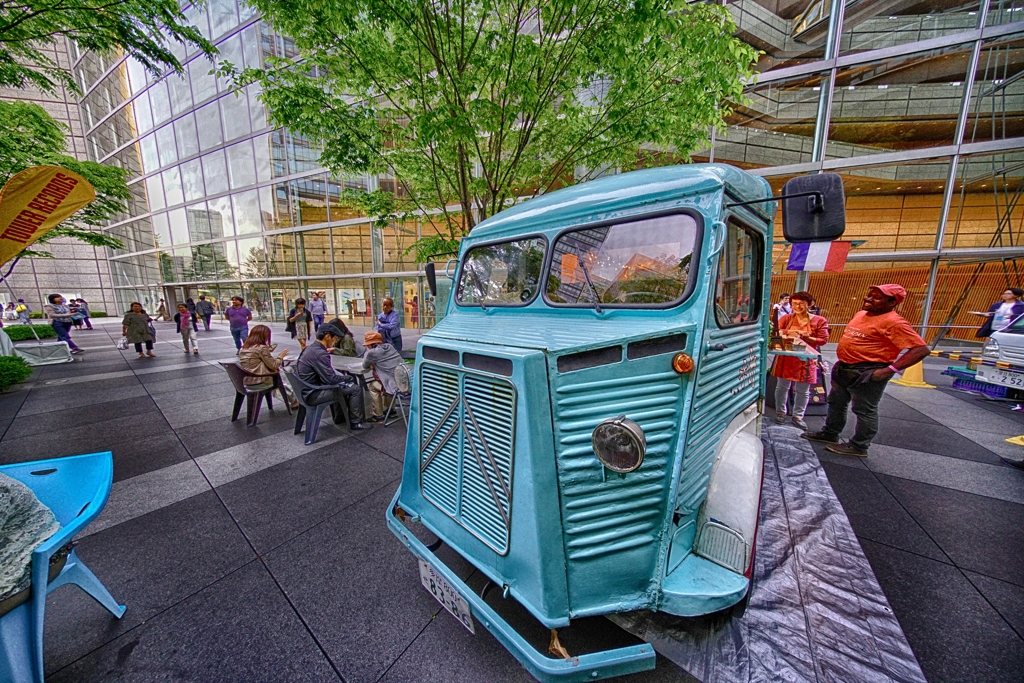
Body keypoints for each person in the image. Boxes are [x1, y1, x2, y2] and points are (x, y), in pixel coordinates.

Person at [803, 284, 930, 457]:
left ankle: (859, 445)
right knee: (836, 402)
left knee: (864, 409)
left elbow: (921, 350)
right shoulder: (861, 314)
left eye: (876, 297)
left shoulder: (895, 322)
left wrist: (889, 370)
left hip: (868, 371)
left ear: (892, 302)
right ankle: (830, 433)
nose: (868, 299)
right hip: (845, 367)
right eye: (869, 295)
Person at [295, 324, 371, 430]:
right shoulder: (320, 353)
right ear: (327, 336)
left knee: (341, 386)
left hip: (305, 390)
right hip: (313, 394)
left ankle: (339, 417)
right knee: (355, 389)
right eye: (335, 338)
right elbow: (331, 379)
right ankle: (356, 423)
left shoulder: (310, 349)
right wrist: (347, 378)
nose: (335, 341)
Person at [772, 291, 829, 430]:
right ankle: (780, 413)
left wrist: (808, 337)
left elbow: (823, 340)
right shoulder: (786, 318)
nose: (797, 306)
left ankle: (798, 416)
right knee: (781, 387)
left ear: (810, 304)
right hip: (786, 357)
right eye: (794, 303)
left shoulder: (819, 320)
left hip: (806, 359)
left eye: (801, 303)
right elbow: (775, 332)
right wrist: (791, 333)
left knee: (803, 390)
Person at [238, 324, 297, 407]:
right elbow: (274, 365)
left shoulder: (243, 348)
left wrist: (267, 352)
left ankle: (292, 398)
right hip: (261, 379)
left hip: (247, 379)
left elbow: (255, 356)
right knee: (287, 371)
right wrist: (280, 356)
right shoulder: (261, 348)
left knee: (283, 371)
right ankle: (293, 400)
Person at [362, 330, 403, 422]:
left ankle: (378, 415)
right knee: (388, 379)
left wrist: (371, 359)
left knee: (373, 386)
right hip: (404, 383)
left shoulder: (372, 353)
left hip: (394, 387)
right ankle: (391, 410)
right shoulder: (389, 347)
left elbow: (364, 365)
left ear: (369, 344)